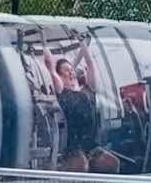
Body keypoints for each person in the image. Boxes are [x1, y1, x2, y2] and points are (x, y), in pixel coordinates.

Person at [42, 33, 118, 173]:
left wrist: (82, 43)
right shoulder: (62, 90)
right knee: (81, 166)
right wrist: (44, 42)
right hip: (74, 146)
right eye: (66, 70)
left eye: (71, 70)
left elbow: (90, 64)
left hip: (92, 145)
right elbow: (50, 66)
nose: (71, 72)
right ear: (60, 75)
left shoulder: (88, 90)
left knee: (112, 163)